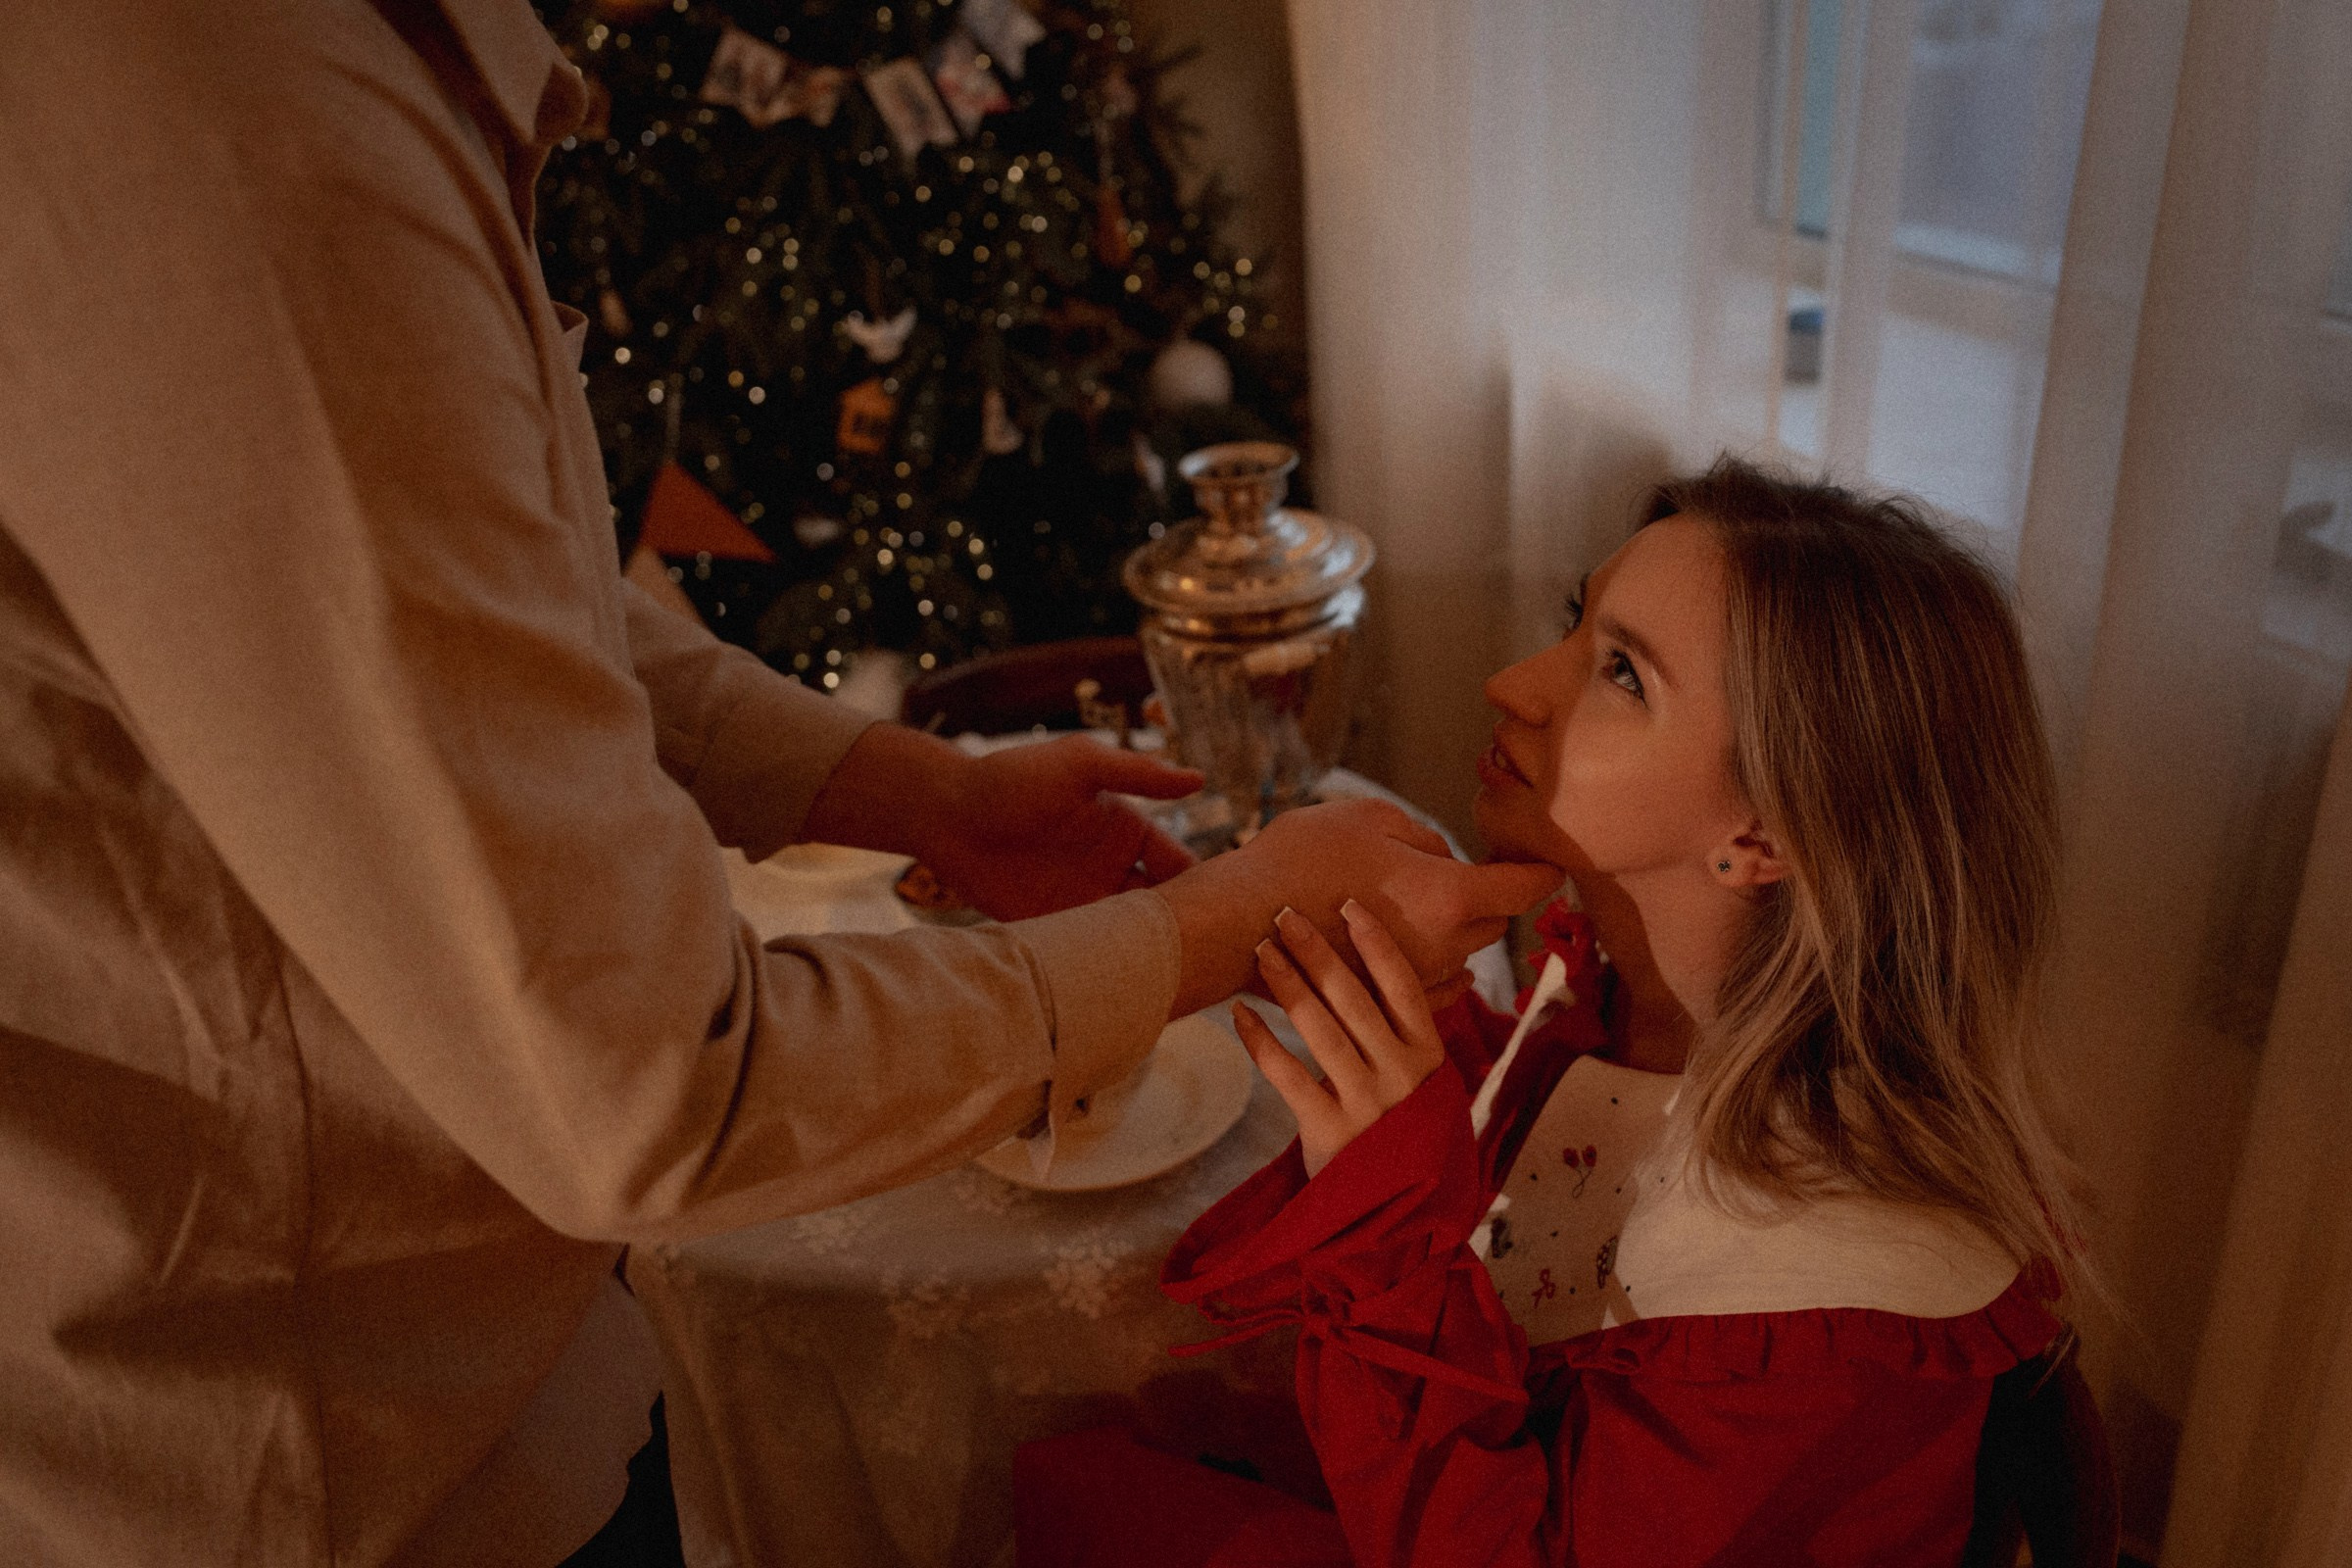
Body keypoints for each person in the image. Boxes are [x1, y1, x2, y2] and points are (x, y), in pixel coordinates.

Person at [0, 3, 1562, 1564]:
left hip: (452, 1406)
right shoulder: (236, 124)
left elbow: (468, 597)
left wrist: (909, 790)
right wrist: (1226, 926)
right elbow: (653, 1088)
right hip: (287, 1474)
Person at [1016, 459, 2087, 1567]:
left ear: (1767, 836)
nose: (1514, 683)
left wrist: (1388, 1228)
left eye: (1622, 673)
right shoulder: (1636, 1002)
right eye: (1577, 624)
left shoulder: (1817, 1313)